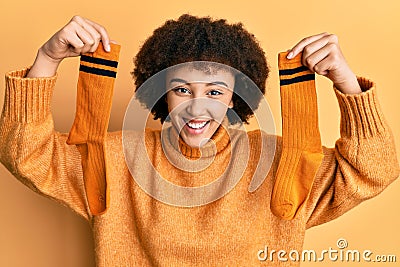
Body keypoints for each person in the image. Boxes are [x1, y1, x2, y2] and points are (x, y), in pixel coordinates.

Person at [0, 14, 398, 266]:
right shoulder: (118, 159)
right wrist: (47, 59)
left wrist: (346, 82)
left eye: (214, 92)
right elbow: (25, 154)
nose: (196, 108)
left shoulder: (280, 161)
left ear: (236, 97)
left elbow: (376, 169)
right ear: (160, 92)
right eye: (181, 89)